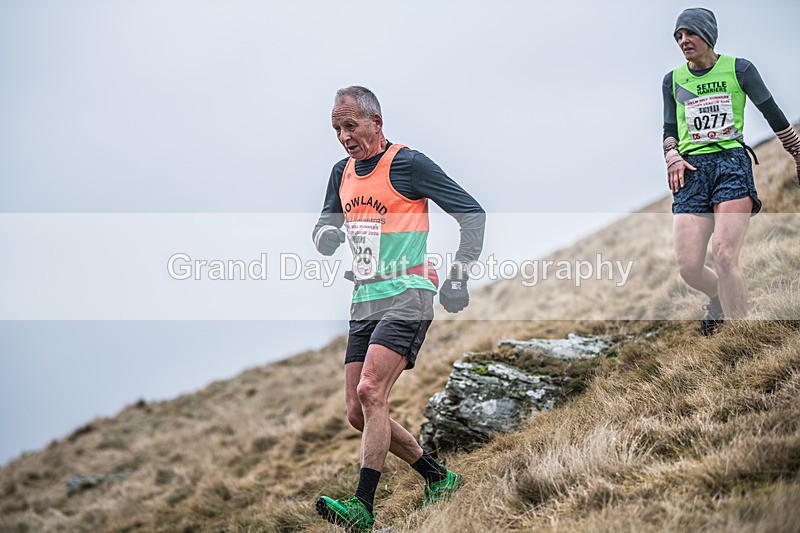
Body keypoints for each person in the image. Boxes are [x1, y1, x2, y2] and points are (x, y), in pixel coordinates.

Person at [312, 86, 485, 531]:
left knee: (372, 391)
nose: (344, 136)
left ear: (376, 122)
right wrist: (326, 237)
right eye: (336, 128)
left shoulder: (408, 164)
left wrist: (459, 275)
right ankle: (438, 477)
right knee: (357, 410)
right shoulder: (341, 172)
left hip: (410, 290)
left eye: (350, 125)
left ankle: (363, 508)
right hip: (365, 299)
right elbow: (324, 225)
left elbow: (472, 212)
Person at [662, 8, 800, 335]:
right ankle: (718, 299)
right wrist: (671, 155)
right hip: (691, 174)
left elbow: (772, 112)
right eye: (678, 36)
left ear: (707, 35)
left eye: (690, 33)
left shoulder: (739, 69)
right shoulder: (673, 79)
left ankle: (739, 335)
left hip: (730, 166)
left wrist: (796, 150)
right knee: (689, 268)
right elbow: (669, 127)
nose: (683, 41)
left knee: (724, 255)